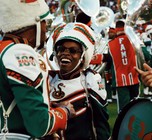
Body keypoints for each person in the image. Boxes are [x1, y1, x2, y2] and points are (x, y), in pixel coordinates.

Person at [0, 0, 75, 139]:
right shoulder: (20, 52)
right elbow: (39, 125)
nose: (46, 29)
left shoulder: (4, 49)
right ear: (35, 22)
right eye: (45, 22)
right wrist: (64, 112)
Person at [48, 22, 111, 140]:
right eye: (61, 49)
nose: (65, 53)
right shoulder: (48, 79)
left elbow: (101, 126)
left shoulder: (90, 81)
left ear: (83, 57)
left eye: (73, 51)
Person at [91, 20, 140, 113]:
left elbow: (107, 59)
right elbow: (144, 54)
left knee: (124, 109)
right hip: (134, 77)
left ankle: (125, 126)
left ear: (116, 29)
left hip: (120, 80)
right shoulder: (132, 40)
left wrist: (92, 58)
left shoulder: (111, 44)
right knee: (136, 105)